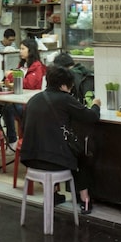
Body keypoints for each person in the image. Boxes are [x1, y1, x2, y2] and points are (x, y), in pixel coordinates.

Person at [21, 65, 102, 213]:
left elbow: (23, 128)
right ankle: (85, 200)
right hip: (54, 163)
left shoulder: (33, 100)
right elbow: (91, 117)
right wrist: (96, 105)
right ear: (64, 85)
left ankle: (53, 195)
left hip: (30, 160)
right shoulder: (65, 99)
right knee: (80, 156)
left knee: (51, 148)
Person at [0, 38, 45, 144]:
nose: (20, 51)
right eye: (20, 49)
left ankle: (12, 140)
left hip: (29, 103)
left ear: (31, 50)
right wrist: (7, 80)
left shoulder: (37, 66)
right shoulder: (22, 65)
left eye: (23, 49)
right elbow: (15, 80)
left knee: (8, 108)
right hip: (17, 98)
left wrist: (11, 75)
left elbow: (28, 84)